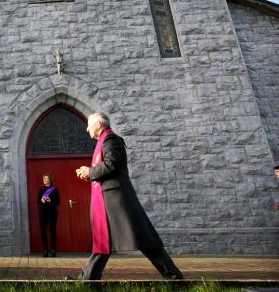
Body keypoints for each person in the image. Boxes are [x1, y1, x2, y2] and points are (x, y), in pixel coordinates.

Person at [76, 112, 184, 280]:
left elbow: (111, 164)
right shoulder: (104, 141)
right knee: (104, 241)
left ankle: (174, 277)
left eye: (89, 125)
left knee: (145, 239)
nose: (87, 128)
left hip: (118, 200)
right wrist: (89, 173)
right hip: (109, 200)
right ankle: (87, 278)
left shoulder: (111, 140)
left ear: (98, 125)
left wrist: (90, 172)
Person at [37, 173, 60, 257]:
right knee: (43, 232)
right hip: (43, 213)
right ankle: (45, 250)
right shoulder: (41, 190)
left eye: (46, 179)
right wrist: (42, 201)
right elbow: (38, 201)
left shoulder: (54, 189)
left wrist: (50, 200)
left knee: (53, 231)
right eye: (43, 179)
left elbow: (58, 201)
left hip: (52, 213)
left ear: (50, 179)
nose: (44, 180)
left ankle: (53, 250)